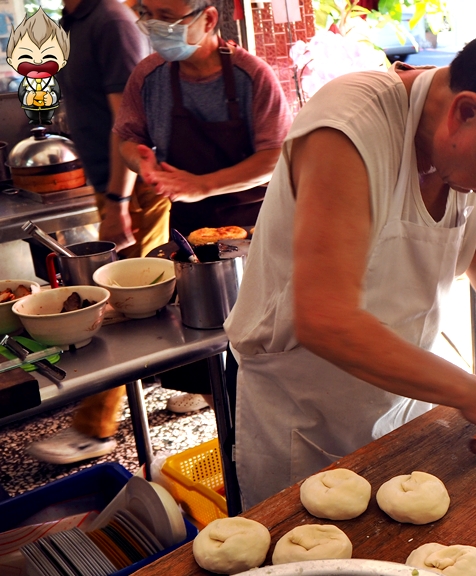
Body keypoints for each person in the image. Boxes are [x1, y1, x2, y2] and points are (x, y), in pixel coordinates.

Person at [225, 20, 476, 508]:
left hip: (404, 388)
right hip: (304, 408)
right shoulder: (348, 131)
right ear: (465, 112)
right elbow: (325, 321)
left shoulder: (471, 140)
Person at [114, 0, 289, 413]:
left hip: (254, 223)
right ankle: (218, 405)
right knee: (201, 331)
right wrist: (142, 162)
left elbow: (275, 157)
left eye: (168, 18)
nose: (155, 26)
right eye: (147, 14)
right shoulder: (149, 76)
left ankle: (255, 410)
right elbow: (126, 136)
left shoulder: (251, 77)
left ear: (208, 18)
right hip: (189, 225)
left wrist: (203, 184)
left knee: (262, 340)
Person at [26, 0, 162, 465]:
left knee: (125, 306)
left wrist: (119, 200)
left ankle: (94, 429)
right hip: (113, 186)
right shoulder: (76, 20)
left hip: (138, 186)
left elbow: (131, 126)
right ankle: (200, 386)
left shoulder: (111, 21)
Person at [6, 10, 69, 125]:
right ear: (11, 61)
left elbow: (56, 93)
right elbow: (22, 93)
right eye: (27, 56)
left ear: (63, 61)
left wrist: (51, 98)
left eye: (48, 56)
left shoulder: (55, 82)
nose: (38, 61)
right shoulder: (24, 83)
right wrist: (28, 98)